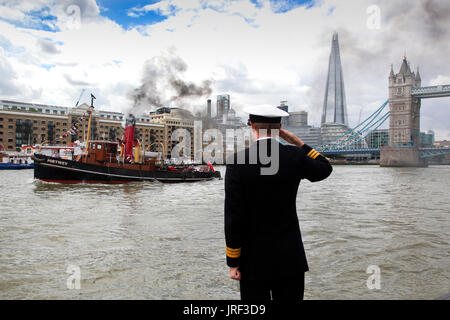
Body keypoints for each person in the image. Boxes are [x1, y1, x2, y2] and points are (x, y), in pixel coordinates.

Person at [224, 105, 333, 300]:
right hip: (290, 258)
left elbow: (233, 216)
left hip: (252, 261)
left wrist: (233, 261)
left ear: (251, 125)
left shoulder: (237, 161)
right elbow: (324, 168)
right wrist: (297, 142)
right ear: (280, 127)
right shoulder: (295, 155)